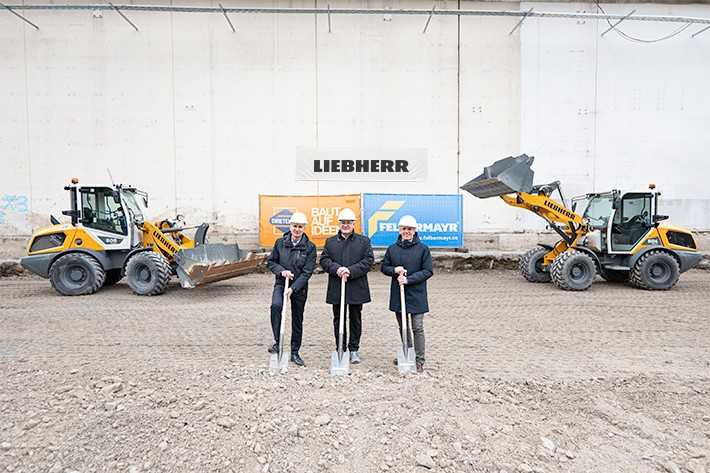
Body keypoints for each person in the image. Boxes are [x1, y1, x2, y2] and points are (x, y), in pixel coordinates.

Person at [319, 208, 374, 364]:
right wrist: (337, 269)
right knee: (338, 318)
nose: (346, 225)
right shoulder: (330, 242)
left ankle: (354, 350)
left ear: (353, 224)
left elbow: (368, 261)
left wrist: (350, 271)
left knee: (355, 318)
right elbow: (324, 260)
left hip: (356, 285)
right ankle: (340, 349)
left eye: (349, 222)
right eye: (343, 222)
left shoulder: (364, 241)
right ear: (339, 224)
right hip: (337, 286)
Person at [381, 215, 433, 373]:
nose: (407, 232)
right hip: (399, 295)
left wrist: (409, 280)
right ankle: (407, 352)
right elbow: (384, 267)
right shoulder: (392, 249)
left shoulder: (423, 249)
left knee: (417, 327)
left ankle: (419, 359)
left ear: (415, 230)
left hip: (416, 295)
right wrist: (394, 270)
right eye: (404, 229)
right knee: (403, 326)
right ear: (400, 230)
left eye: (409, 229)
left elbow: (428, 271)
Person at [266, 211, 317, 367]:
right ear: (290, 226)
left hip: (299, 287)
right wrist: (282, 271)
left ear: (304, 228)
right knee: (276, 307)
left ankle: (295, 352)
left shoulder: (309, 247)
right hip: (281, 283)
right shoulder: (280, 243)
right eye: (295, 226)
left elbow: (307, 272)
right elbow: (271, 262)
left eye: (300, 227)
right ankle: (278, 342)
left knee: (297, 319)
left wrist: (293, 288)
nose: (297, 229)